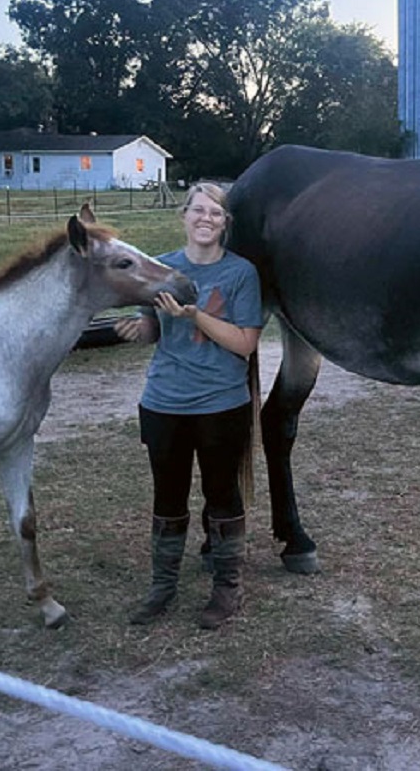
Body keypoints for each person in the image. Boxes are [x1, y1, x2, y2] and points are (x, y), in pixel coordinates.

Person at [115, 182, 263, 629]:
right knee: (168, 496)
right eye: (198, 210)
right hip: (163, 403)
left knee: (222, 494)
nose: (206, 219)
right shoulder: (161, 269)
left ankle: (226, 588)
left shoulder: (241, 274)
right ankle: (163, 588)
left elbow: (245, 343)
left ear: (225, 224)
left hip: (221, 405)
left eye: (215, 214)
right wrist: (138, 331)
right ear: (184, 215)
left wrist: (193, 314)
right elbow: (152, 329)